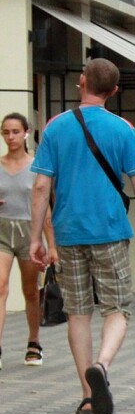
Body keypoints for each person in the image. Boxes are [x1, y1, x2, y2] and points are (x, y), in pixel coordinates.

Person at [28, 59, 135, 414]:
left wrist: (36, 239)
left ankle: (89, 396)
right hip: (110, 231)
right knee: (117, 308)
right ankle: (102, 366)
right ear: (115, 91)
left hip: (69, 233)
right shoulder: (123, 129)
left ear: (81, 82)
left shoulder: (56, 127)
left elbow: (42, 185)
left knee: (78, 312)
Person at [1, 113, 55, 370]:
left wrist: (51, 246)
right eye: (5, 132)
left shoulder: (36, 167)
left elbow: (45, 210)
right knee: (0, 287)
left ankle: (34, 342)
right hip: (1, 231)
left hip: (28, 232)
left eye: (14, 131)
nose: (10, 137)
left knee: (31, 291)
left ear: (25, 133)